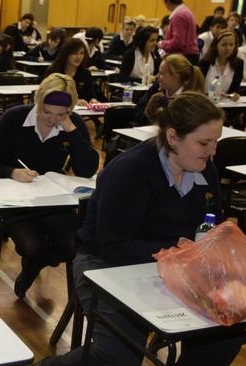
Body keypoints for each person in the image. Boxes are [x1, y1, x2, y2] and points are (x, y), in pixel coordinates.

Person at [40, 92, 246, 366]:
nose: (213, 151)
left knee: (229, 328)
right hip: (104, 265)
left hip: (180, 266)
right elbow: (113, 246)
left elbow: (213, 226)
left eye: (215, 142)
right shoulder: (129, 171)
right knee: (116, 357)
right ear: (173, 138)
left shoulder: (204, 169)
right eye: (204, 142)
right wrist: (179, 252)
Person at [0, 73, 99, 298]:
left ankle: (36, 264)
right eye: (46, 112)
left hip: (54, 202)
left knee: (73, 244)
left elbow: (86, 170)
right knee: (31, 246)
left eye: (61, 114)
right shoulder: (13, 119)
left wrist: (71, 129)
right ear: (38, 102)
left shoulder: (71, 124)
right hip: (15, 202)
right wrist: (12, 172)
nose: (52, 119)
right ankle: (34, 262)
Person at [134, 54, 204, 126]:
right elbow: (138, 111)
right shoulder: (157, 87)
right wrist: (152, 113)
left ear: (176, 76)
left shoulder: (190, 97)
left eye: (161, 73)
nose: (157, 77)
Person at [45, 38, 97, 105]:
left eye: (81, 53)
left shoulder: (85, 73)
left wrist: (93, 100)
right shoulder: (53, 71)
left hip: (81, 112)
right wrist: (73, 101)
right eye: (75, 53)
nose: (78, 57)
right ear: (66, 54)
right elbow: (47, 95)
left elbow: (91, 95)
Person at [200, 30, 243, 99]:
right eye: (224, 45)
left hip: (227, 105)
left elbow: (235, 90)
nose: (228, 48)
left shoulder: (239, 63)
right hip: (206, 103)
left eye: (231, 45)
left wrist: (234, 96)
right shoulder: (206, 62)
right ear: (216, 45)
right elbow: (197, 88)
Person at [159, 0, 199, 65]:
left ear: (168, 2)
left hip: (183, 57)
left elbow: (178, 42)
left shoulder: (178, 15)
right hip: (191, 55)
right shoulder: (187, 11)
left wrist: (162, 44)